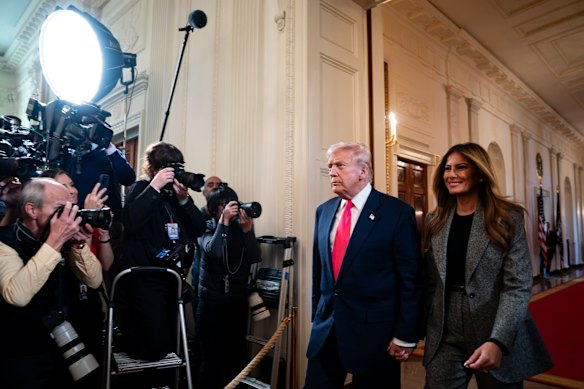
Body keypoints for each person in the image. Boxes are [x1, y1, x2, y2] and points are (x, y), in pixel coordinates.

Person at [421, 142, 553, 389]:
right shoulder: (434, 220)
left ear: (479, 173)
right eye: (447, 168)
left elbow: (517, 285)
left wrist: (499, 341)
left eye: (461, 167)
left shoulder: (507, 217)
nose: (451, 174)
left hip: (493, 324)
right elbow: (430, 281)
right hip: (444, 331)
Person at [304, 142, 421, 388]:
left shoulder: (396, 213)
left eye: (339, 165)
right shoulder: (323, 212)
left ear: (363, 171)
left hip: (375, 336)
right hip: (327, 332)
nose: (332, 172)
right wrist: (318, 314)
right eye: (329, 166)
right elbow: (320, 271)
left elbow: (410, 279)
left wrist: (405, 334)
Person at [0, 178, 103, 389]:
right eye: (60, 209)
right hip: (23, 354)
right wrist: (55, 241)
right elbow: (16, 296)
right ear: (32, 210)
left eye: (71, 209)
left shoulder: (63, 238)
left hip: (66, 347)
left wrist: (79, 244)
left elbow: (94, 281)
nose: (68, 216)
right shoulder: (5, 242)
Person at [116, 141, 207, 362]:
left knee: (169, 342)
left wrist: (185, 200)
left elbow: (198, 228)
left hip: (172, 279)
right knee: (152, 344)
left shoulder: (176, 199)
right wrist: (154, 187)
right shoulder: (142, 189)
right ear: (155, 169)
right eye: (168, 168)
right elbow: (131, 222)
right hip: (144, 278)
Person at [196, 184, 262, 389]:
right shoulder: (204, 224)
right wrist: (222, 223)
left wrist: (248, 231)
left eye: (232, 203)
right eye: (224, 205)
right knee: (212, 361)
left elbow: (254, 256)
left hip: (236, 301)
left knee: (237, 359)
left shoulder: (240, 226)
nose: (231, 209)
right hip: (211, 302)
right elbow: (213, 251)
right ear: (215, 209)